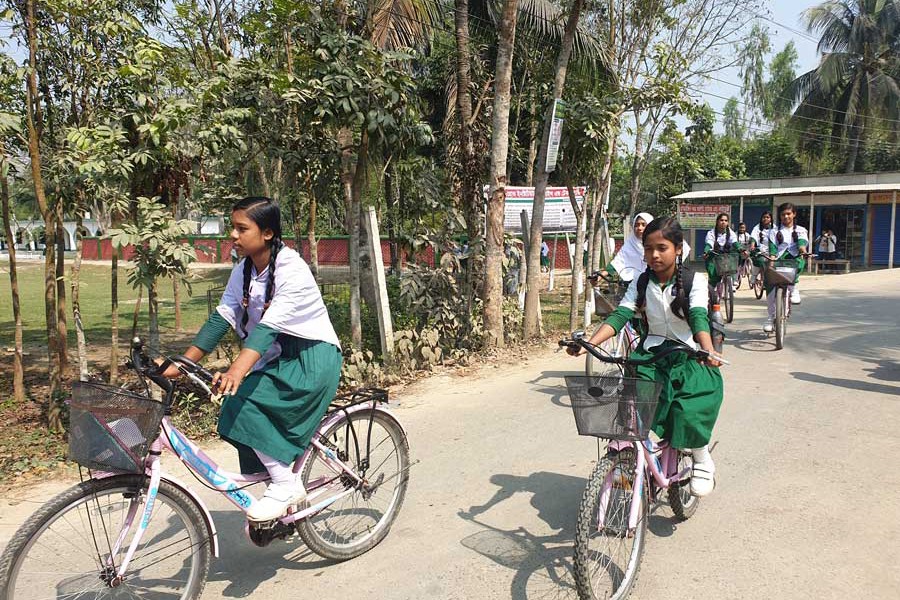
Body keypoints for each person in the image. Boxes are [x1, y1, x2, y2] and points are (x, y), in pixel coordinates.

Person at [162, 196, 343, 522]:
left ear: (268, 233)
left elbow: (269, 327)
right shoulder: (243, 270)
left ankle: (286, 484)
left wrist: (237, 371)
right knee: (236, 408)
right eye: (233, 227)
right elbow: (222, 318)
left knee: (241, 401)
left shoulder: (292, 269)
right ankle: (280, 480)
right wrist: (181, 364)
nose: (233, 235)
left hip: (311, 360)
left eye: (241, 228)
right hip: (276, 358)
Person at [570, 217, 723, 497]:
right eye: (648, 248)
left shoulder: (694, 280)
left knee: (688, 407)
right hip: (651, 354)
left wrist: (708, 349)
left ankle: (701, 458)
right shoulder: (641, 282)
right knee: (631, 404)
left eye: (661, 248)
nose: (654, 255)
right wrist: (588, 344)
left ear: (678, 249)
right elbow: (620, 315)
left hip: (687, 354)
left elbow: (699, 317)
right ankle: (630, 464)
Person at [763, 201, 809, 332]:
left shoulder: (800, 230)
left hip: (793, 259)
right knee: (770, 289)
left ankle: (794, 288)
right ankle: (771, 317)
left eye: (789, 214)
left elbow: (802, 243)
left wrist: (802, 250)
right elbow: (772, 247)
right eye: (783, 214)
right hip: (778, 259)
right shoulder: (774, 231)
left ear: (794, 214)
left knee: (799, 261)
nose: (786, 217)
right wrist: (771, 259)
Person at [703, 213, 742, 288]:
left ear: (728, 223)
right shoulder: (711, 233)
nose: (723, 222)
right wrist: (706, 251)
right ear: (717, 221)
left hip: (726, 256)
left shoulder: (731, 233)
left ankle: (733, 281)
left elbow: (734, 242)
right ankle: (712, 291)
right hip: (714, 256)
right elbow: (709, 243)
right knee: (714, 277)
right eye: (721, 220)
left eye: (726, 220)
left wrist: (740, 249)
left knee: (736, 257)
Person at [749, 211, 774, 287]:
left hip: (771, 250)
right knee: (758, 261)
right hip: (760, 249)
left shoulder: (774, 228)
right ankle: (754, 276)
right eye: (764, 217)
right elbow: (753, 237)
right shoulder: (757, 228)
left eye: (768, 217)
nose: (765, 219)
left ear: (771, 219)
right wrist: (752, 245)